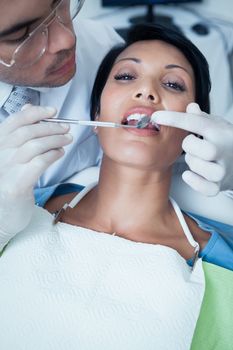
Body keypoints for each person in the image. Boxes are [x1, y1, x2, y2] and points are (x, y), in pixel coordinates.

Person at [1, 23, 232, 350]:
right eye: (126, 76)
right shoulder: (14, 211)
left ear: (194, 134)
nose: (147, 92)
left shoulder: (222, 265)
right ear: (97, 115)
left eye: (172, 83)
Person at [0, 1, 233, 251]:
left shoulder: (99, 48)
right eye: (21, 35)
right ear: (95, 115)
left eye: (61, 5)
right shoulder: (30, 214)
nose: (66, 40)